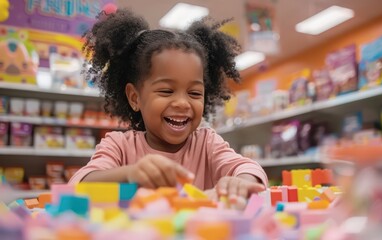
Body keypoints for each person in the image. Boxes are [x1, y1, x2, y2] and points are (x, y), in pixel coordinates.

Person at [69, 8, 267, 202]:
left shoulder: (206, 143)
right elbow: (78, 186)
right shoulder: (119, 146)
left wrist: (240, 182)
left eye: (194, 93)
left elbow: (248, 168)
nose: (182, 103)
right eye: (166, 91)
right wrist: (130, 174)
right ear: (135, 98)